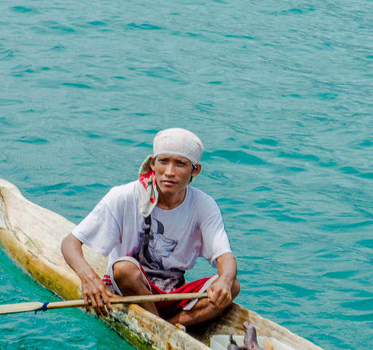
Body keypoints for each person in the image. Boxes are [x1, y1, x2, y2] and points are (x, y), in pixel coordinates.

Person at [60, 128, 240, 326]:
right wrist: (89, 279)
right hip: (128, 287)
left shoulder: (203, 205)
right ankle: (162, 326)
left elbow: (226, 257)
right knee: (124, 269)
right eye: (163, 161)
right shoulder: (124, 196)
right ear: (153, 163)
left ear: (195, 170)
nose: (169, 172)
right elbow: (70, 243)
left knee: (232, 285)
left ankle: (167, 325)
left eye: (180, 164)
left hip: (171, 292)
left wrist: (224, 281)